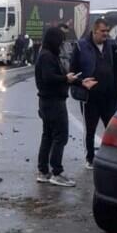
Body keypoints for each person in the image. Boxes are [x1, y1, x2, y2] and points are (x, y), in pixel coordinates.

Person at [36, 27, 96, 187]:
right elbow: (50, 78)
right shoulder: (47, 57)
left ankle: (43, 171)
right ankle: (57, 172)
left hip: (47, 102)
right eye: (60, 41)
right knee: (60, 137)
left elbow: (61, 78)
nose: (62, 44)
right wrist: (66, 79)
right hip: (53, 103)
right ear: (54, 40)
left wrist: (80, 82)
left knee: (48, 136)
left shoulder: (46, 54)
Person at [70, 18, 117, 169]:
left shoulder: (112, 45)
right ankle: (90, 158)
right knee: (90, 129)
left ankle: (112, 157)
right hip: (90, 97)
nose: (106, 34)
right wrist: (81, 82)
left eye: (107, 31)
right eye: (103, 31)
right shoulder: (81, 46)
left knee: (112, 128)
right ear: (94, 31)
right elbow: (72, 71)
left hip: (109, 96)